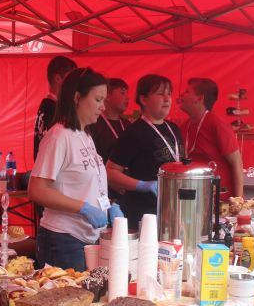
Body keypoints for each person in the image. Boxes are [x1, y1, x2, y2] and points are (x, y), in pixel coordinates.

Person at [29, 68, 109, 270]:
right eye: (98, 100)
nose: (103, 107)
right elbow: (37, 189)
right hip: (63, 239)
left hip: (87, 239)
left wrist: (108, 206)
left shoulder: (85, 135)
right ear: (77, 97)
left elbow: (90, 186)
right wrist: (83, 208)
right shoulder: (58, 136)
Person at [107, 74, 182, 229]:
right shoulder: (134, 132)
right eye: (160, 94)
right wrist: (142, 185)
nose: (167, 99)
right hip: (143, 213)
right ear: (143, 99)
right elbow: (110, 171)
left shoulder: (173, 128)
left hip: (173, 209)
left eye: (169, 94)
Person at [177, 77, 243, 198]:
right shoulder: (184, 126)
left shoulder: (217, 124)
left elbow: (237, 163)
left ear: (199, 98)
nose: (181, 94)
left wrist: (238, 201)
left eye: (187, 92)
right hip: (195, 196)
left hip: (219, 199)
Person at [34, 55, 77, 160]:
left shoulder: (48, 106)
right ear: (58, 78)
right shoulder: (52, 109)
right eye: (71, 78)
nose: (75, 84)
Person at [91, 78, 130, 164]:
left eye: (127, 94)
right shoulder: (93, 124)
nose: (127, 98)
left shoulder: (128, 125)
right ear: (107, 96)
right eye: (122, 93)